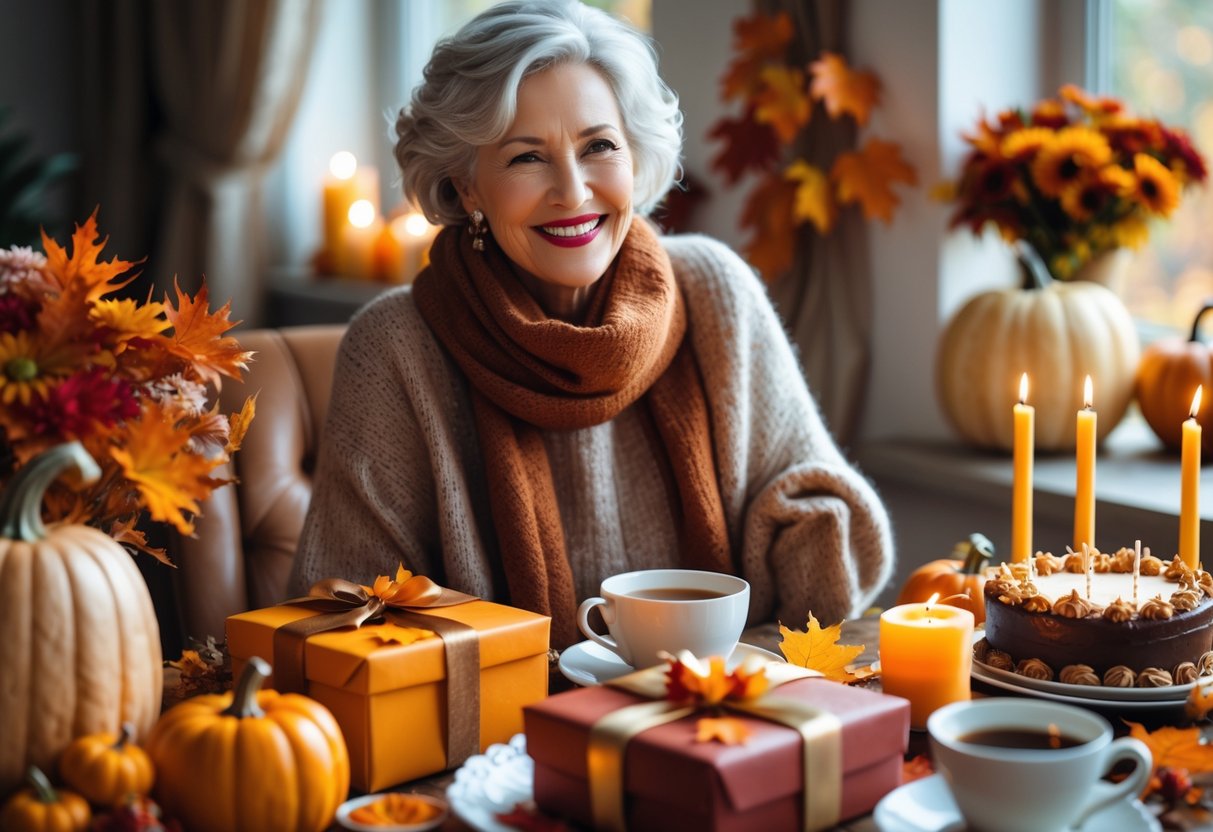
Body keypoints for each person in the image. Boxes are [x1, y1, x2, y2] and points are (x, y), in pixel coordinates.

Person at [290, 0, 893, 649]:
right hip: (503, 737)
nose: (573, 192)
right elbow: (344, 623)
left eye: (599, 146)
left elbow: (822, 528)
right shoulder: (394, 347)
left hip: (723, 708)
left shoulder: (713, 292)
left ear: (634, 158)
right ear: (467, 188)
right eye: (526, 157)